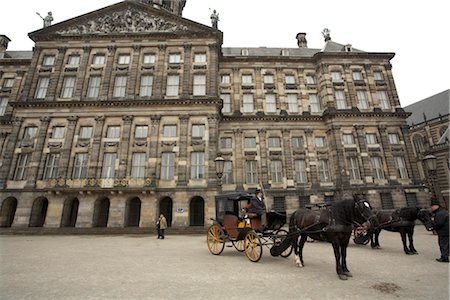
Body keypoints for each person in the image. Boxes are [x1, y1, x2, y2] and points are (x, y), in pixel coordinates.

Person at [431, 197, 449, 262]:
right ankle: (447, 254)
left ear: (436, 206)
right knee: (447, 244)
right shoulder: (443, 211)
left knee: (443, 244)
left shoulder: (439, 213)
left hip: (444, 232)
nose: (431, 208)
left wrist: (433, 222)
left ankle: (444, 257)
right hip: (447, 231)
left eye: (432, 206)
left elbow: (439, 223)